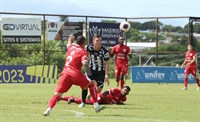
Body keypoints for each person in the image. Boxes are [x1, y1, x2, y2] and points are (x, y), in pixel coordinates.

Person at [42, 34, 106, 116]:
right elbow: (85, 64)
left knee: (57, 95)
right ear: (84, 43)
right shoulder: (83, 52)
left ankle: (48, 109)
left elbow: (68, 44)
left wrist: (69, 40)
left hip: (65, 74)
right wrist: (91, 77)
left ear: (76, 41)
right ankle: (96, 106)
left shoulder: (71, 47)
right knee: (91, 84)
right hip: (75, 74)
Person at [78, 34, 110, 108]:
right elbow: (81, 51)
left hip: (101, 71)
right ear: (93, 41)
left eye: (100, 41)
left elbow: (107, 63)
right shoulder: (88, 47)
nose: (99, 42)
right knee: (85, 85)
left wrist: (106, 75)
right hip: (91, 69)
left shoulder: (104, 51)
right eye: (97, 40)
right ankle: (83, 102)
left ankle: (91, 95)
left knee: (98, 90)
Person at [62, 86, 131, 105]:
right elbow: (104, 93)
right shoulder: (116, 90)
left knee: (89, 102)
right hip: (100, 97)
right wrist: (108, 103)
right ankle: (73, 99)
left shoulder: (124, 99)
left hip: (102, 102)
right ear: (121, 89)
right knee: (93, 102)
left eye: (127, 91)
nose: (125, 92)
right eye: (124, 90)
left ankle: (63, 98)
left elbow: (118, 101)